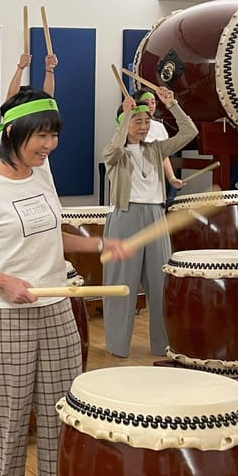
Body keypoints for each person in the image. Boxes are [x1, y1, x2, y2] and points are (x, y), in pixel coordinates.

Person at [0, 87, 127, 476]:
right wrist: (1, 279)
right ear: (13, 133)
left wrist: (100, 245)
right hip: (4, 318)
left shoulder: (43, 174)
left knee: (61, 420)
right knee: (7, 427)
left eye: (54, 135)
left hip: (57, 311)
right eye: (40, 136)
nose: (49, 145)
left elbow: (53, 238)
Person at [102, 88, 197, 358]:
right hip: (125, 216)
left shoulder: (156, 148)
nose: (144, 126)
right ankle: (117, 345)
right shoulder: (115, 151)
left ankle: (161, 345)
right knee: (121, 283)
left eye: (146, 121)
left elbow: (189, 133)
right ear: (123, 124)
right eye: (136, 121)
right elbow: (112, 151)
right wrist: (126, 114)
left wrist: (173, 104)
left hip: (155, 215)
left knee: (160, 283)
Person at [135, 88, 185, 197]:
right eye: (147, 102)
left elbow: (163, 155)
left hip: (156, 179)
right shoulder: (131, 126)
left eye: (153, 102)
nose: (151, 105)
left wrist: (171, 178)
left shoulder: (159, 127)